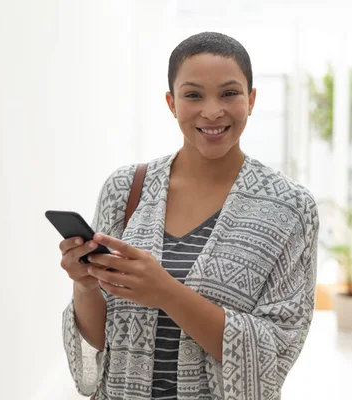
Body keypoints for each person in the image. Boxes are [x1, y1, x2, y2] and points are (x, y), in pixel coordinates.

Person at [59, 32, 320, 400]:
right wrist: (85, 283)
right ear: (172, 103)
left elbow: (275, 351)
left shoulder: (291, 209)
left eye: (229, 93)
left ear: (252, 100)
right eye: (193, 95)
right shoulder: (124, 189)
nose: (212, 111)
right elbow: (105, 340)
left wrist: (167, 292)